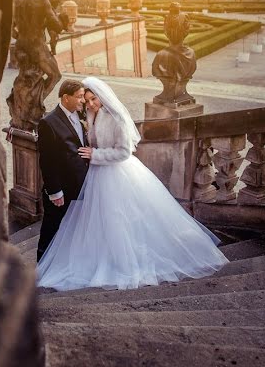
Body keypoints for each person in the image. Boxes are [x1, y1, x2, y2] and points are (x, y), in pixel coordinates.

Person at [36, 76, 227, 291]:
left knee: (121, 220)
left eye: (92, 99)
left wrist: (96, 155)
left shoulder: (116, 118)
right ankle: (98, 257)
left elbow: (125, 152)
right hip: (95, 178)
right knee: (98, 222)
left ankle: (124, 261)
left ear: (102, 97)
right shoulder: (87, 114)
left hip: (116, 174)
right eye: (85, 99)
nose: (88, 104)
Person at [35, 79, 90, 262]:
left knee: (73, 228)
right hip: (62, 190)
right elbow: (47, 161)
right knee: (52, 227)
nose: (83, 101)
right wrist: (54, 191)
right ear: (66, 97)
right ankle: (42, 265)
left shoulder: (81, 114)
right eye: (80, 97)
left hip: (80, 185)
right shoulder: (48, 123)